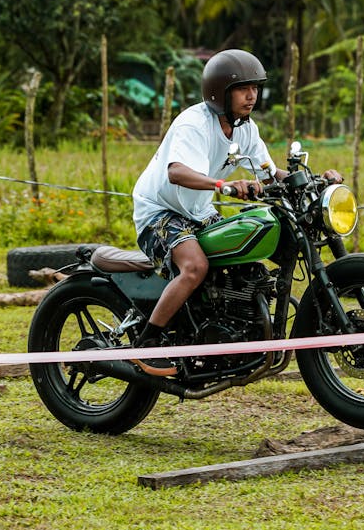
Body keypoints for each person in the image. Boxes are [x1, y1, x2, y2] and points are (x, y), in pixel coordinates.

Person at [129, 48, 342, 377]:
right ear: (220, 93)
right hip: (160, 211)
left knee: (242, 259)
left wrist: (312, 180)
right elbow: (176, 172)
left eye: (255, 87)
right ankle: (147, 344)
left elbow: (270, 173)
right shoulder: (193, 124)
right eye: (244, 88)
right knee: (195, 267)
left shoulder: (246, 129)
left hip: (198, 210)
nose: (252, 95)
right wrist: (222, 184)